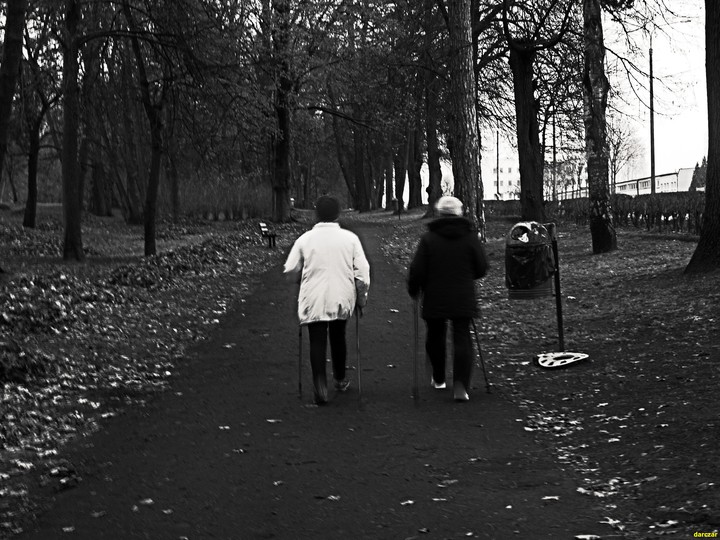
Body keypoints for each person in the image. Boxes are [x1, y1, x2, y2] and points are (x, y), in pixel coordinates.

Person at [284, 196, 370, 405]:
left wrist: (299, 280)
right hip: (342, 295)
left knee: (317, 340)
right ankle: (340, 379)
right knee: (338, 335)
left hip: (314, 296)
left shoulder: (305, 239)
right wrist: (361, 300)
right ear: (337, 214)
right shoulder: (350, 239)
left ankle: (320, 385)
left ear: (317, 215)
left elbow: (290, 269)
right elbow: (363, 273)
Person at [407, 196, 489, 402]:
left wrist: (414, 288)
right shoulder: (470, 237)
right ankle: (461, 385)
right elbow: (481, 267)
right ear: (459, 213)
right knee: (462, 336)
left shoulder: (429, 239)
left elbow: (417, 270)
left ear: (439, 213)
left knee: (435, 335)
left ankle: (439, 377)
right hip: (463, 295)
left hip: (436, 295)